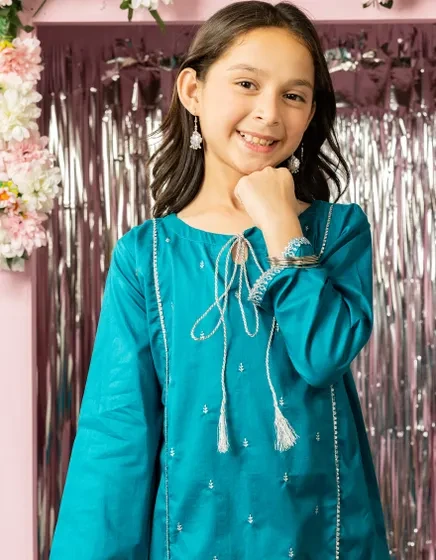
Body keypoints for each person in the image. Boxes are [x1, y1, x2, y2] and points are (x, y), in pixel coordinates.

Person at [50, 1, 391, 558]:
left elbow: (323, 353)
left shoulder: (337, 232)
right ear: (193, 90)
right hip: (190, 539)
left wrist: (281, 226)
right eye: (247, 84)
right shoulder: (147, 255)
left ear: (310, 113)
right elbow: (117, 434)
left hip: (320, 535)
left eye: (294, 95)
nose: (269, 113)